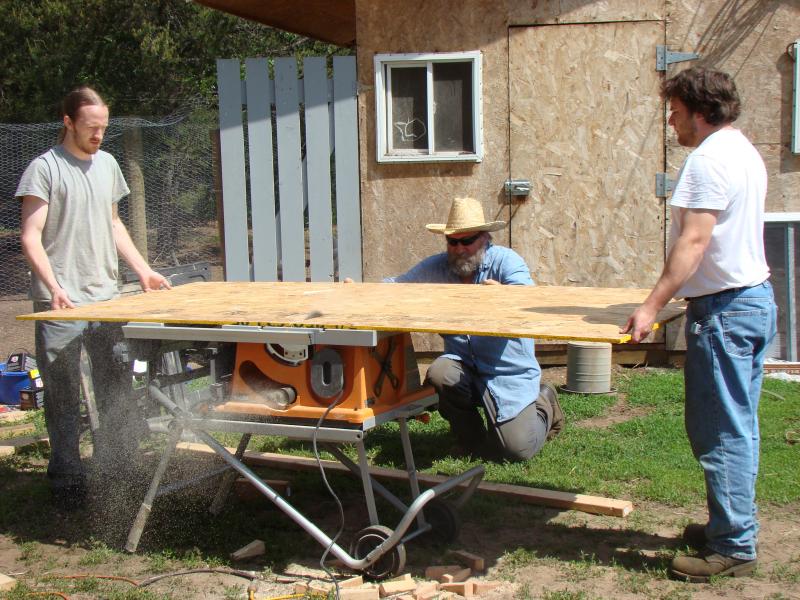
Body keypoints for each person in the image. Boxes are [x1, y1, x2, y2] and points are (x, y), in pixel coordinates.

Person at [622, 68, 777, 582]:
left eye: (676, 112)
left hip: (726, 313)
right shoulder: (742, 150)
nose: (671, 121)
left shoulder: (708, 160)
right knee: (737, 426)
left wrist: (651, 306)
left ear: (700, 112)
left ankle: (733, 546)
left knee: (720, 431)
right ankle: (728, 527)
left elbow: (694, 241)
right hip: (751, 302)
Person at [17, 85, 172, 510]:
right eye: (90, 127)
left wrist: (143, 270)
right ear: (68, 122)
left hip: (107, 298)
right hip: (60, 304)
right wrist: (54, 287)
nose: (99, 135)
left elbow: (114, 223)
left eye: (103, 127)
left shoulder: (107, 165)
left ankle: (117, 468)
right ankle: (67, 479)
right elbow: (29, 236)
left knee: (116, 385)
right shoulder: (44, 169)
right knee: (63, 395)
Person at [384, 196, 563, 462]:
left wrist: (504, 296)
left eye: (467, 240)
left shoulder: (507, 262)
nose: (459, 248)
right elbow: (397, 287)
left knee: (516, 450)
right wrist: (361, 291)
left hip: (507, 374)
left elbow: (529, 300)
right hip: (464, 367)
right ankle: (470, 440)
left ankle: (545, 403)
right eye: (452, 241)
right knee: (440, 373)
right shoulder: (436, 267)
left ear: (485, 238)